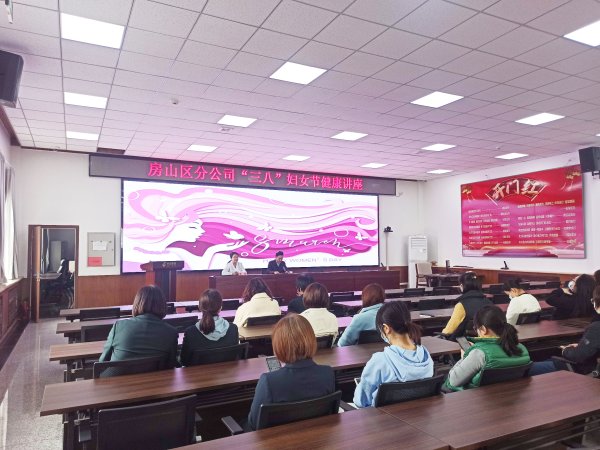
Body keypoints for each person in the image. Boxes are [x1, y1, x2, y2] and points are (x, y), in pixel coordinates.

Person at [247, 314, 335, 430]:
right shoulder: (327, 374)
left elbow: (254, 424)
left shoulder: (269, 381)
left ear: (279, 345)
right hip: (316, 436)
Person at [353, 301, 434, 407]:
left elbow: (361, 401)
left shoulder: (379, 361)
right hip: (417, 414)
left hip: (381, 417)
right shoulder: (425, 355)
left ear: (386, 329)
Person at [444, 305, 530, 391]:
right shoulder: (522, 349)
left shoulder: (479, 354)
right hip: (509, 394)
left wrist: (464, 357)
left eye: (476, 328)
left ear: (483, 329)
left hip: (477, 397)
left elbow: (453, 382)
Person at [99, 285, 178, 369]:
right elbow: (171, 365)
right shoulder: (171, 332)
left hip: (117, 376)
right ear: (162, 305)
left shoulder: (119, 326)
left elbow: (102, 361)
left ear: (137, 303)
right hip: (153, 376)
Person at [531, 286, 600, 376]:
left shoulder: (596, 327)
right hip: (591, 365)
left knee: (529, 368)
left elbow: (578, 356)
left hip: (584, 370)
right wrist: (582, 346)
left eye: (593, 300)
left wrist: (565, 351)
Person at [180, 289, 239, 366]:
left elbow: (184, 361)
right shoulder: (233, 329)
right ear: (220, 308)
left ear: (199, 307)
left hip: (199, 374)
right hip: (228, 372)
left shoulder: (191, 332)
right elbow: (235, 356)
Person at [441, 271, 492, 337]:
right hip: (486, 339)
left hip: (464, 341)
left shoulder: (461, 305)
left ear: (461, 286)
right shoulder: (489, 303)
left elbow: (448, 331)